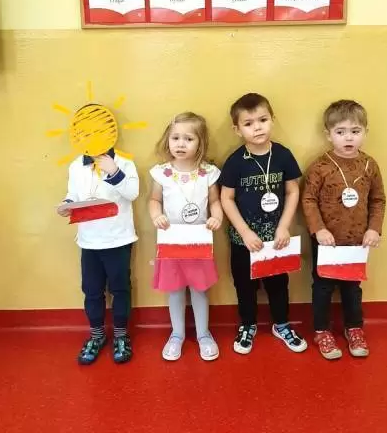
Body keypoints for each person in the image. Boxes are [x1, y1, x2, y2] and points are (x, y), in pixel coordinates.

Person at [219, 93, 307, 355]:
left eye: (262, 120)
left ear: (272, 120)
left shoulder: (283, 155)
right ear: (237, 129)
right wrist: (245, 232)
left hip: (276, 240)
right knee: (245, 286)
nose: (257, 127)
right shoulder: (235, 161)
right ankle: (247, 325)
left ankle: (281, 324)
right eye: (248, 123)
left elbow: (292, 191)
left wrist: (284, 226)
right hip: (244, 242)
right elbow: (226, 198)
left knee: (278, 285)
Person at [302, 100, 386, 360]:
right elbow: (308, 200)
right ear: (329, 134)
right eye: (341, 132)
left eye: (355, 131)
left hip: (357, 241)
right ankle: (321, 331)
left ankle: (354, 328)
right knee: (323, 287)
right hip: (326, 241)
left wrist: (374, 229)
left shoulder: (370, 166)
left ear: (365, 132)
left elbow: (378, 200)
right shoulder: (320, 166)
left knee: (352, 288)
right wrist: (318, 230)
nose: (348, 137)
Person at [57, 133, 139, 365]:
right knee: (91, 290)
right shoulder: (76, 165)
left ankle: (121, 335)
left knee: (120, 289)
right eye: (85, 133)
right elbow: (73, 194)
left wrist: (114, 171)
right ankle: (97, 335)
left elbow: (132, 193)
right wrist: (67, 205)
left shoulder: (124, 162)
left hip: (118, 239)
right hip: (88, 241)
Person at [148, 112, 223, 361]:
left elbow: (215, 201)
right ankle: (177, 334)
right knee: (175, 290)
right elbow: (154, 200)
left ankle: (203, 334)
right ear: (167, 140)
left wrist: (217, 217)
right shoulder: (161, 173)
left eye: (188, 139)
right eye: (175, 138)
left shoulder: (208, 173)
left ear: (200, 142)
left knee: (200, 290)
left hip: (199, 243)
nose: (181, 144)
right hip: (171, 243)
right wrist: (156, 215)